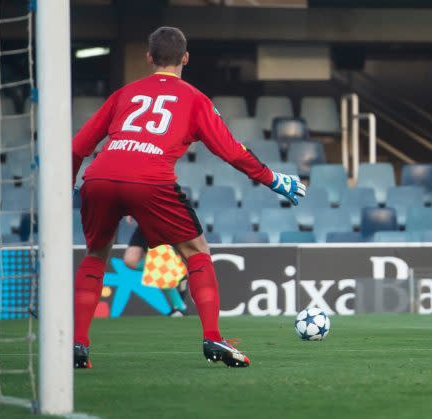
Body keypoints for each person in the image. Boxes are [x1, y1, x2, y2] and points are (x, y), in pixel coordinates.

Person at [71, 26, 306, 369]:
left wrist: (66, 186)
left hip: (100, 176)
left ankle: (78, 344)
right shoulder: (195, 99)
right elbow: (231, 152)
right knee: (196, 251)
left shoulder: (124, 94)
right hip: (151, 179)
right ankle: (212, 336)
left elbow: (78, 147)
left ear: (149, 57)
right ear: (185, 58)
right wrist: (272, 179)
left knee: (96, 255)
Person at [123, 222, 189, 317]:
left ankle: (180, 307)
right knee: (130, 261)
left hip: (157, 221)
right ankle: (176, 270)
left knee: (159, 266)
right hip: (142, 223)